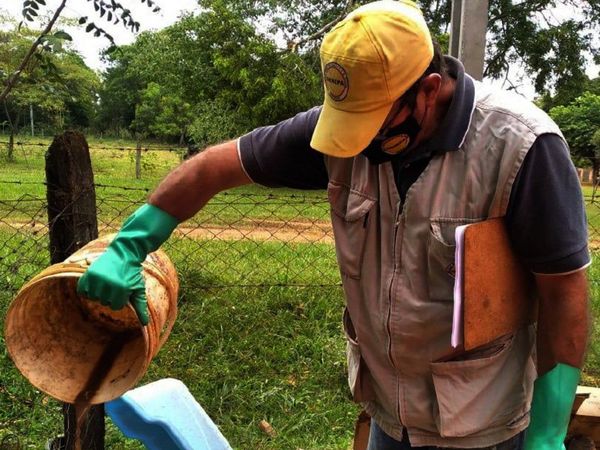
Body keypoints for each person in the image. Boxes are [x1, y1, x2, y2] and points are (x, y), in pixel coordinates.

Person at [77, 1, 590, 448]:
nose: (359, 145)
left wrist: (547, 433)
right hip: (390, 416)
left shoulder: (521, 147)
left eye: (373, 124)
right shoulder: (342, 133)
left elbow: (564, 291)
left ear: (429, 90)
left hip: (487, 427)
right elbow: (211, 168)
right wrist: (130, 243)